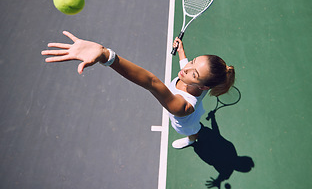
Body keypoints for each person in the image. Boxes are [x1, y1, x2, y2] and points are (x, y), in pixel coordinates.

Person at [41, 31, 235, 149]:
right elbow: (185, 63)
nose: (186, 69)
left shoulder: (182, 107)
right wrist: (182, 50)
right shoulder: (198, 81)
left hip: (185, 122)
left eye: (194, 73)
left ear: (203, 87)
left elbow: (151, 82)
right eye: (193, 62)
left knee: (192, 129)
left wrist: (106, 55)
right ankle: (195, 135)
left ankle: (192, 139)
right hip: (197, 101)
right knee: (196, 121)